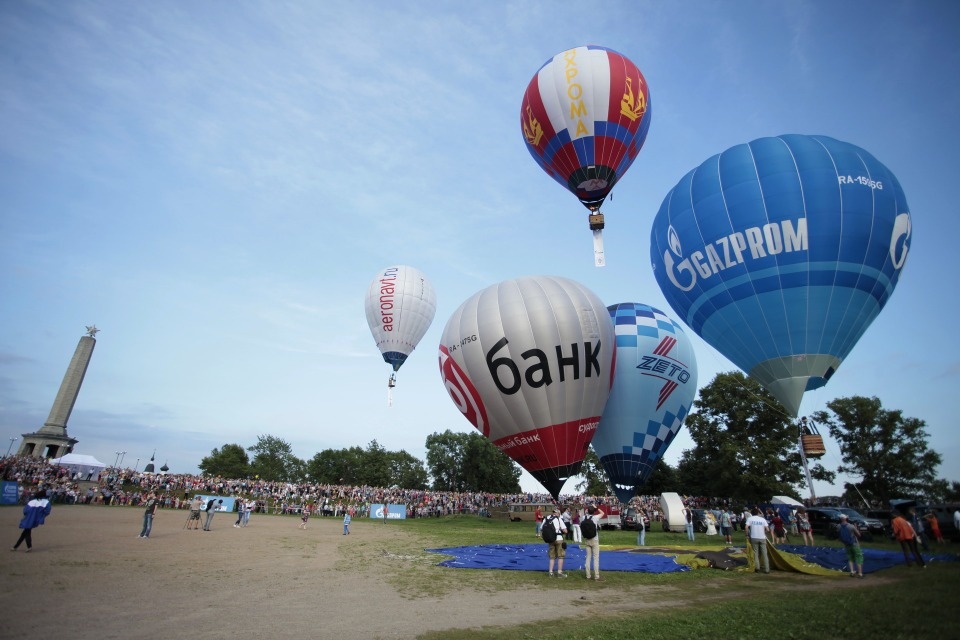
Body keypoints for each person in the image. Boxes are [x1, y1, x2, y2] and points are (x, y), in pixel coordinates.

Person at [543, 508, 569, 577]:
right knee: (561, 556)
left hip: (550, 539)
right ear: (558, 513)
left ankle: (550, 572)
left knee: (552, 556)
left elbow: (542, 528)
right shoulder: (558, 519)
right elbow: (565, 531)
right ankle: (559, 572)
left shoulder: (546, 518)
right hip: (559, 539)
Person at [582, 504, 605, 580]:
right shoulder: (595, 518)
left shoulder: (583, 518)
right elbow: (602, 513)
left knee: (588, 557)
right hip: (594, 539)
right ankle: (596, 576)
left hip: (587, 539)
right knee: (596, 558)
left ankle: (588, 575)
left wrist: (589, 510)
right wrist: (596, 508)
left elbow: (584, 514)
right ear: (593, 512)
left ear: (587, 511)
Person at [745, 508, 771, 574]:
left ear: (752, 513)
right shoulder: (762, 519)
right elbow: (768, 530)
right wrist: (764, 532)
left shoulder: (750, 519)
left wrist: (747, 535)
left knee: (755, 553)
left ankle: (757, 568)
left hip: (754, 537)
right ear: (758, 513)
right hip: (762, 537)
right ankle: (767, 569)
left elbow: (746, 527)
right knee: (764, 553)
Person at [837, 513, 864, 577]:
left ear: (840, 519)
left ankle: (852, 572)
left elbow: (839, 535)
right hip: (854, 544)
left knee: (850, 558)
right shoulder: (851, 526)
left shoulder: (838, 526)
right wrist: (856, 527)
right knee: (858, 557)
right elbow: (859, 535)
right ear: (846, 518)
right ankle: (860, 573)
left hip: (846, 544)